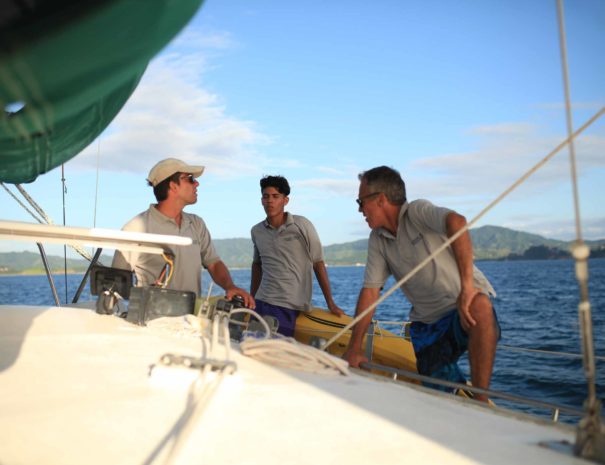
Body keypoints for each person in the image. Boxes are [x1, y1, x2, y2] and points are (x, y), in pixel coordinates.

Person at [343, 166, 499, 402]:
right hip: (428, 326)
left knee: (480, 306)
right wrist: (354, 349)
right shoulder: (378, 239)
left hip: (462, 308)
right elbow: (370, 291)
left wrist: (467, 288)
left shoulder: (417, 212)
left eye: (361, 202)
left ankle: (481, 401)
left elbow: (457, 222)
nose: (360, 210)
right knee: (440, 398)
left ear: (381, 199)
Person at [112, 158, 254, 308]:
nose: (197, 183)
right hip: (151, 325)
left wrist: (230, 286)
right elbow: (116, 282)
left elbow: (213, 263)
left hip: (190, 322)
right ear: (173, 186)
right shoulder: (136, 228)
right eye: (190, 179)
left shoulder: (197, 224)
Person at [250, 175, 344, 337]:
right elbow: (257, 265)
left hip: (288, 304)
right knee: (252, 348)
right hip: (261, 301)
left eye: (275, 196)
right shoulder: (257, 231)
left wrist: (330, 303)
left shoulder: (302, 225)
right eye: (266, 197)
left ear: (285, 200)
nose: (270, 201)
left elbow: (318, 262)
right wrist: (251, 299)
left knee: (276, 353)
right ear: (261, 200)